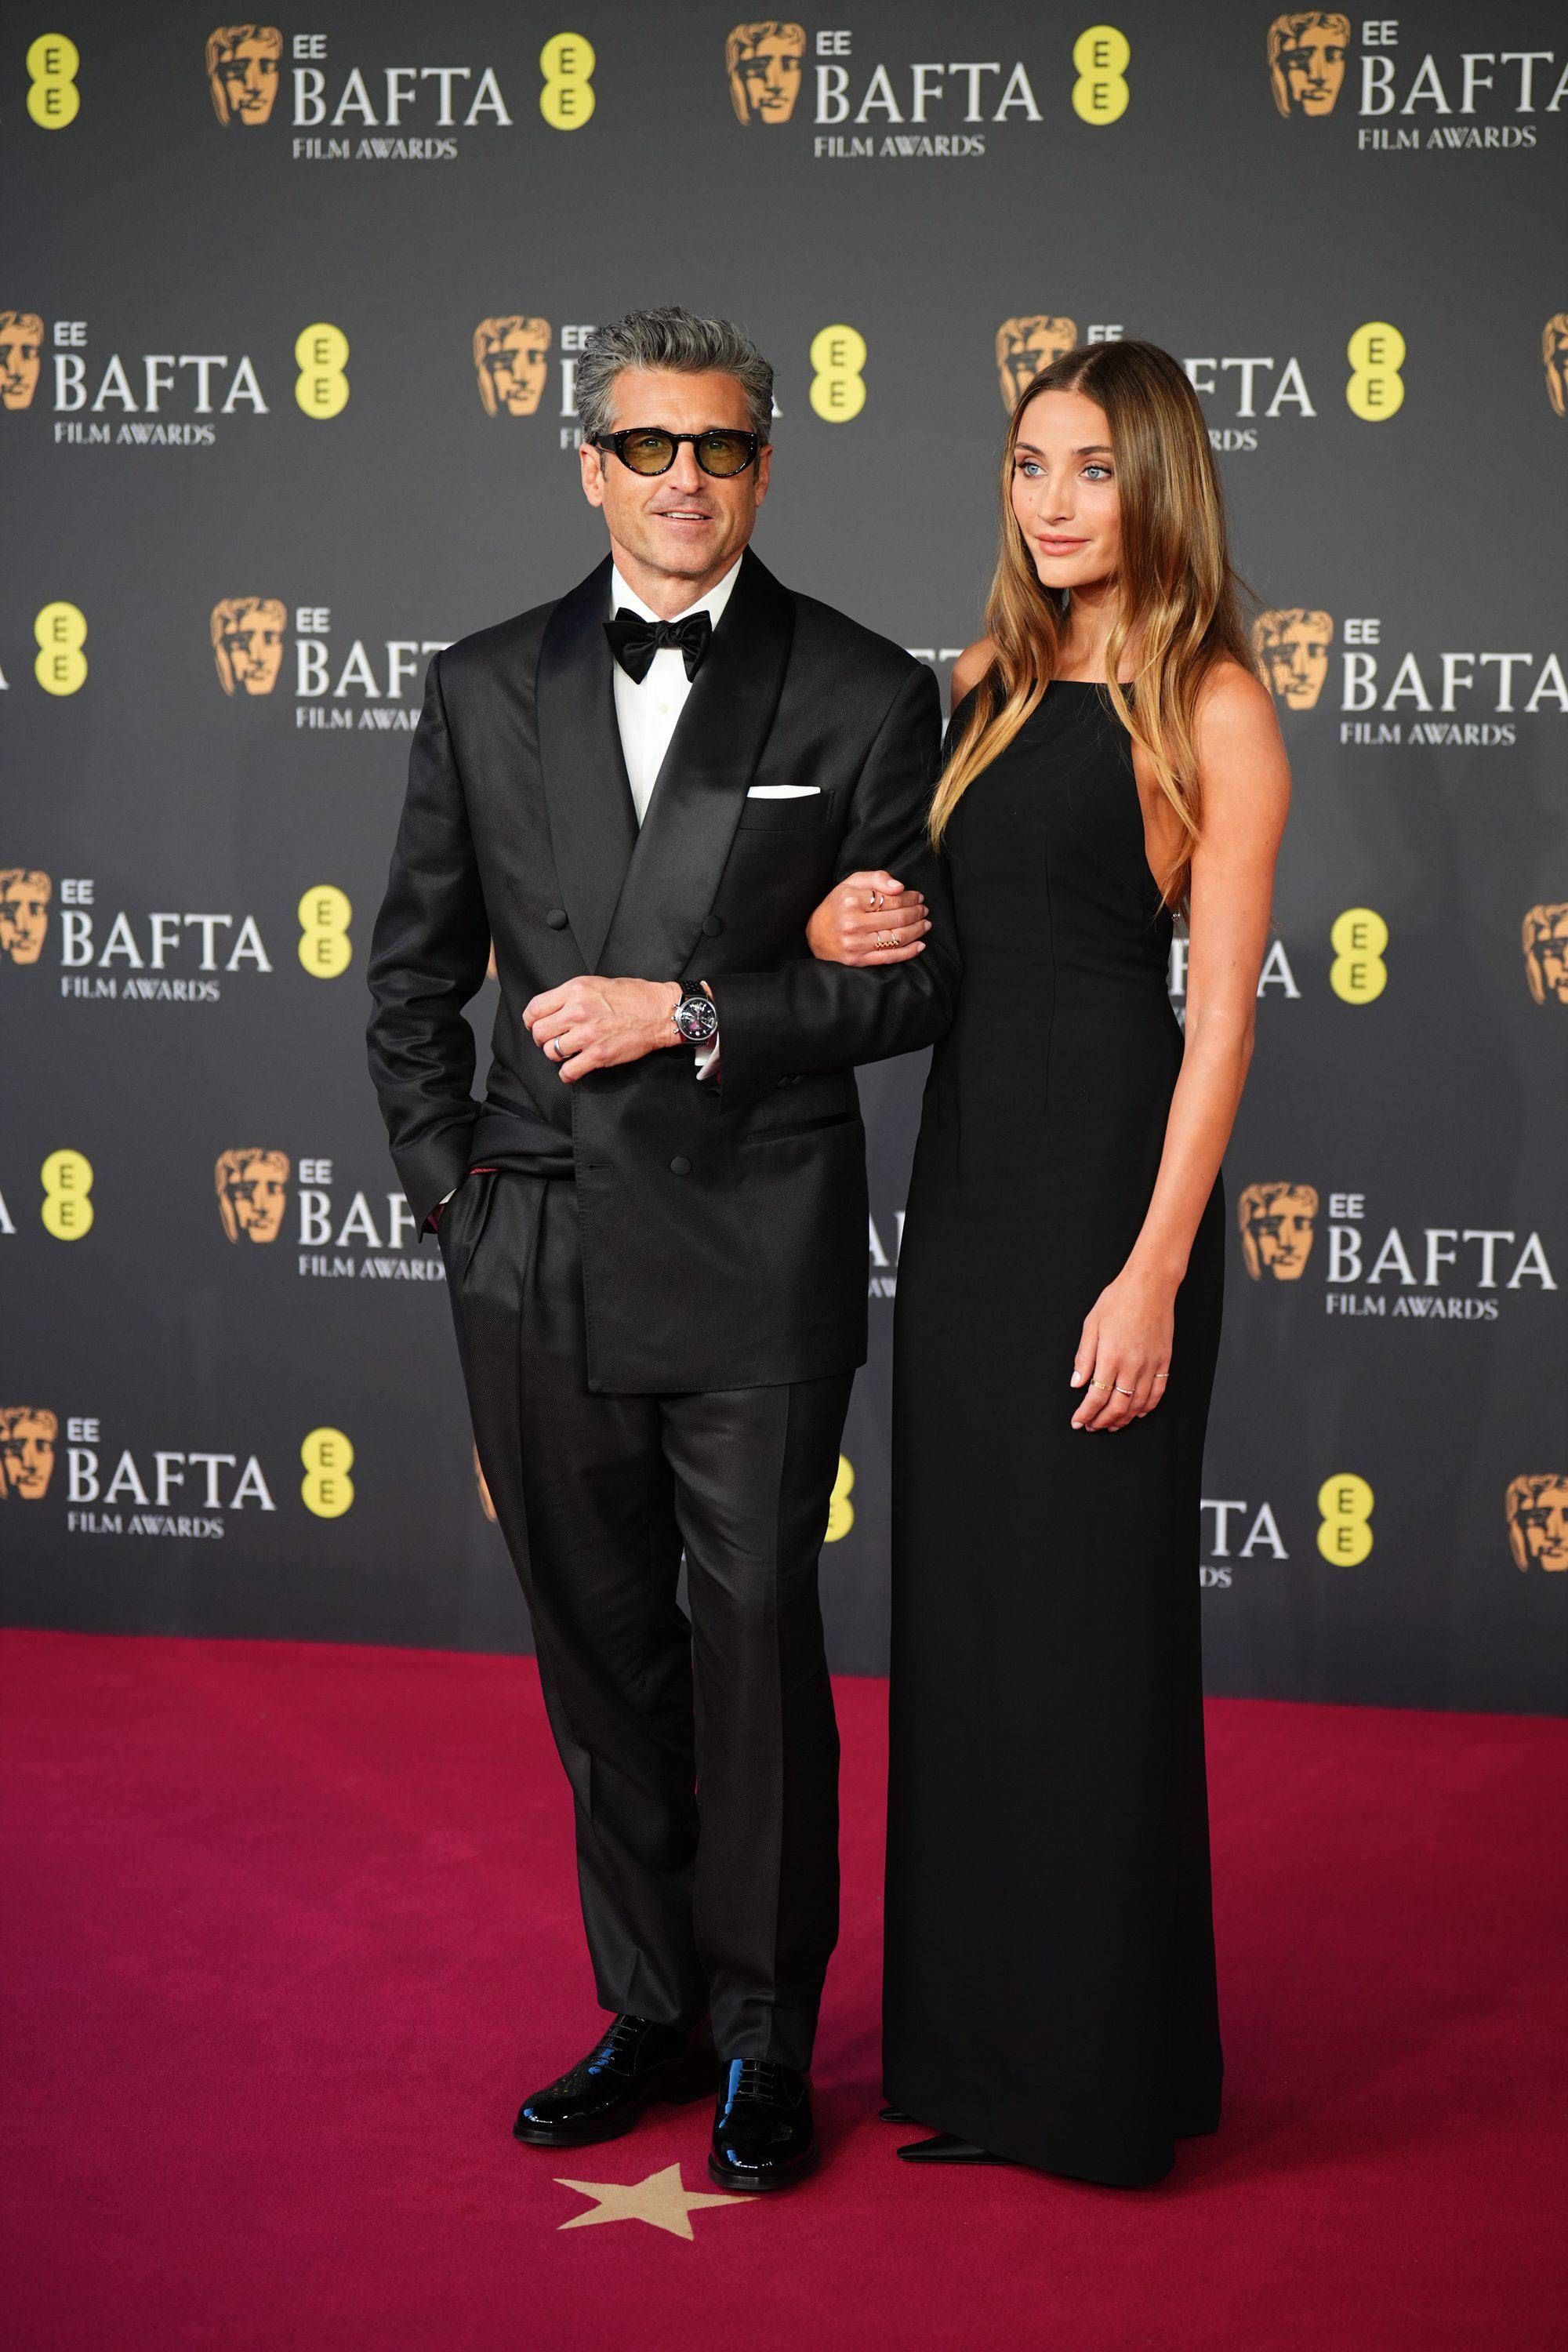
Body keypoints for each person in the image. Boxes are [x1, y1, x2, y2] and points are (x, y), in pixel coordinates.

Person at [365, 307, 956, 2194]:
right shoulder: (477, 686)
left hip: (752, 1240)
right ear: (588, 461)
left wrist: (696, 1015)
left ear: (764, 464)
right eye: (646, 445)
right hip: (530, 1249)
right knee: (597, 1652)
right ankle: (648, 2006)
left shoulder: (863, 689)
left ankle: (768, 2031)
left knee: (755, 1646)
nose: (681, 477)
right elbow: (410, 984)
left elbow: (915, 985)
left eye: (716, 446)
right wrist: (458, 1200)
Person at [806, 339, 1289, 2185]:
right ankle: (981, 2060)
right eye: (1029, 464)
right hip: (972, 1191)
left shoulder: (1216, 703)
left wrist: (1156, 1269)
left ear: (1157, 481)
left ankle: (1099, 2082)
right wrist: (845, 913)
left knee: (1089, 1646)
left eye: (1092, 466)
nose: (1055, 500)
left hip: (1108, 1193)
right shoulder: (989, 682)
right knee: (977, 1635)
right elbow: (926, 937)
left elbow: (1224, 1028)